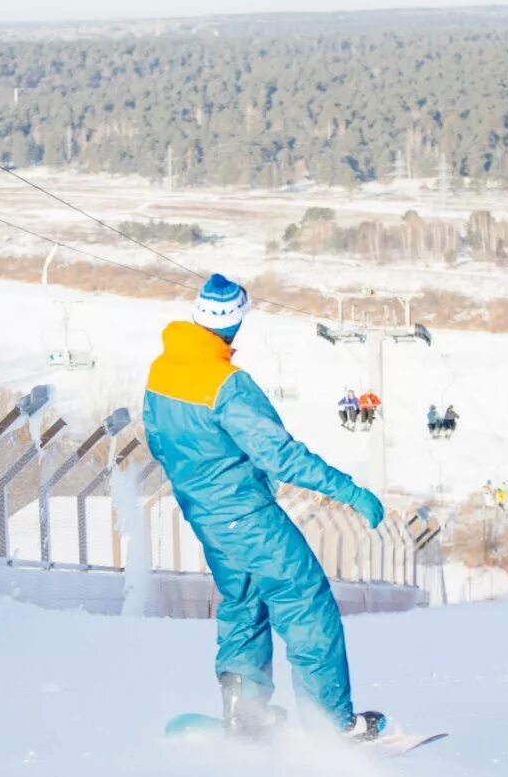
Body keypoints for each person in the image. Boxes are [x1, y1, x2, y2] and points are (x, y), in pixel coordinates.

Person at [142, 273, 388, 741]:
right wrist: (349, 491)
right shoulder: (227, 384)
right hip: (250, 517)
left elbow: (158, 442)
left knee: (244, 605)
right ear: (235, 321)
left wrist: (204, 488)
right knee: (306, 604)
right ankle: (333, 726)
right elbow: (280, 455)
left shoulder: (162, 370)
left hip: (206, 517)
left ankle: (245, 714)